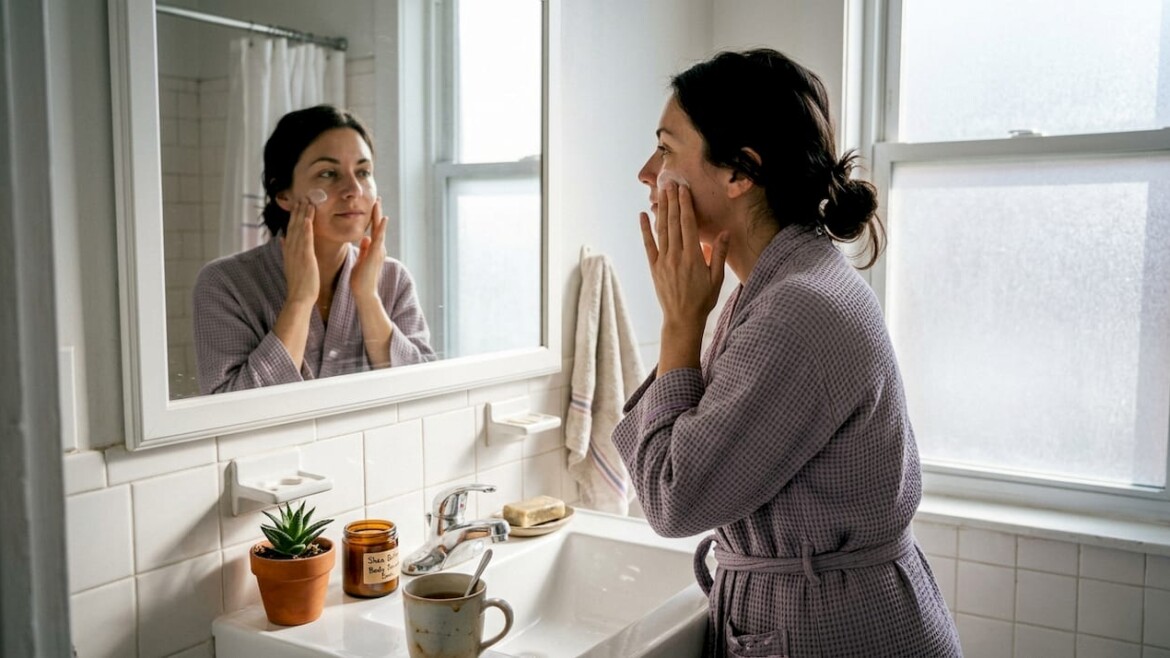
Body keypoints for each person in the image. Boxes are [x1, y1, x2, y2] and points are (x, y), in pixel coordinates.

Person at [611, 49, 962, 657]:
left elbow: (673, 498)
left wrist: (679, 326)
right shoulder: (781, 283)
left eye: (666, 148)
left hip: (839, 631)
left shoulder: (797, 311)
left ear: (740, 171)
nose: (647, 172)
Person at [194, 105, 435, 395]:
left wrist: (368, 298)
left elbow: (423, 396)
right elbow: (231, 411)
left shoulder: (393, 279)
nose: (354, 190)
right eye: (328, 173)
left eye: (363, 171)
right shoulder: (225, 283)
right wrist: (299, 300)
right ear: (283, 193)